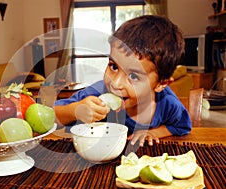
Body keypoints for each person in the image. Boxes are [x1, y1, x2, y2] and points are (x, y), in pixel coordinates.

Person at [54, 15, 192, 147]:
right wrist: (75, 110)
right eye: (113, 67)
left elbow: (182, 126)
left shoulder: (167, 103)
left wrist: (153, 132)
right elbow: (50, 117)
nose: (115, 83)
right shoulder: (96, 93)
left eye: (134, 76)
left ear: (161, 84)